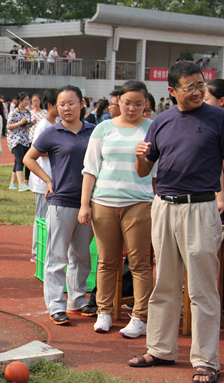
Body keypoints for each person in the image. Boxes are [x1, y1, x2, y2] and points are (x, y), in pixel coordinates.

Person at [128, 61, 224, 383]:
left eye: (200, 84)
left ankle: (206, 361)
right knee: (164, 283)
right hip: (164, 207)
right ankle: (160, 348)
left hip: (200, 207)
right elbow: (144, 171)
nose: (198, 91)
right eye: (190, 87)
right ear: (172, 92)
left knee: (202, 289)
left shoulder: (218, 118)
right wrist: (140, 155)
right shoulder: (161, 122)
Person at [78, 80, 154, 338]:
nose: (132, 108)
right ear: (118, 102)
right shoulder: (103, 129)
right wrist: (84, 204)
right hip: (103, 203)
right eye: (127, 103)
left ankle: (140, 316)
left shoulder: (153, 129)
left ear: (146, 105)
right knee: (107, 261)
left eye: (139, 104)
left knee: (139, 263)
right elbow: (90, 169)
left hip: (140, 203)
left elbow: (159, 169)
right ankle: (104, 312)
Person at [23, 85, 97, 325]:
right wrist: (47, 180)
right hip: (62, 200)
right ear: (55, 106)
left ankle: (78, 299)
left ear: (82, 103)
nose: (66, 108)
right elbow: (28, 158)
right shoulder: (51, 133)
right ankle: (56, 305)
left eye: (71, 103)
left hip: (88, 202)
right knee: (57, 256)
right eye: (61, 104)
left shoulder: (94, 132)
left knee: (82, 255)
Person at [29, 89, 58, 262]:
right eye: (60, 104)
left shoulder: (55, 124)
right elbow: (37, 151)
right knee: (41, 217)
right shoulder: (43, 126)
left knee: (49, 216)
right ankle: (36, 251)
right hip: (42, 180)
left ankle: (45, 249)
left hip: (51, 178)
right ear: (50, 105)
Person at [7, 92, 32, 191]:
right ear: (20, 101)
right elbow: (9, 126)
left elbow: (25, 127)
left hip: (25, 139)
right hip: (15, 139)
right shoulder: (13, 113)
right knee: (20, 160)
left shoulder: (27, 112)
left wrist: (31, 124)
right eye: (25, 99)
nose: (27, 101)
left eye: (28, 99)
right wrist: (19, 123)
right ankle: (21, 184)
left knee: (17, 161)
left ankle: (12, 183)